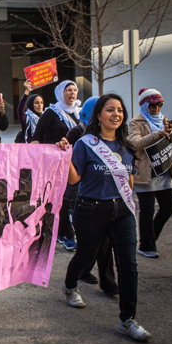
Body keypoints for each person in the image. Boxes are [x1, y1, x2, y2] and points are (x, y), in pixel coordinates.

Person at [57, 94, 152, 342]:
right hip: (90, 209)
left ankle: (127, 319)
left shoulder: (125, 146)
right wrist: (65, 156)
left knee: (128, 265)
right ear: (98, 115)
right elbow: (74, 179)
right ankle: (70, 285)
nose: (116, 114)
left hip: (122, 211)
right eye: (110, 110)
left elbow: (129, 182)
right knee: (85, 256)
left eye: (120, 110)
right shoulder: (85, 144)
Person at [66, 97, 119, 295]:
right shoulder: (78, 134)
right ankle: (75, 278)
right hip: (83, 196)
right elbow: (66, 161)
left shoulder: (113, 138)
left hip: (109, 198)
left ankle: (107, 281)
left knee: (105, 244)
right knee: (89, 249)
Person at [32, 80, 81, 251]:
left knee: (72, 198)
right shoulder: (51, 113)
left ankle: (66, 231)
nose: (72, 93)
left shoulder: (80, 114)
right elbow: (37, 137)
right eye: (68, 90)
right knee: (61, 198)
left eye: (74, 90)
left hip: (75, 163)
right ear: (61, 92)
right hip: (54, 163)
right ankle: (65, 234)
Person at [128, 88, 172, 259]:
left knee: (169, 205)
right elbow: (134, 144)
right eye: (152, 105)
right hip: (145, 172)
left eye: (159, 104)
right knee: (147, 210)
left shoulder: (164, 120)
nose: (156, 108)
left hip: (163, 171)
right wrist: (156, 135)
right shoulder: (136, 122)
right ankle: (146, 245)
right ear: (144, 105)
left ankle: (150, 237)